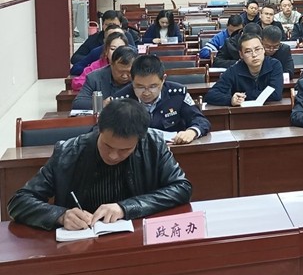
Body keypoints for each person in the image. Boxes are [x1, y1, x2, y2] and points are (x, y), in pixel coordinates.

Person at [7, 99, 192, 231]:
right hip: (81, 244)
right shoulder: (68, 152)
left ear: (139, 140)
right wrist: (60, 215)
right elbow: (19, 202)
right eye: (107, 146)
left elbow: (181, 187)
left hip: (136, 239)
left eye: (124, 150)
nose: (113, 155)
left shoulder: (153, 144)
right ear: (99, 130)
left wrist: (126, 207)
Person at [112, 55, 210, 144]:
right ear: (132, 80)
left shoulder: (177, 94)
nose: (146, 92)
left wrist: (192, 131)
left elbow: (200, 120)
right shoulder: (121, 100)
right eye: (140, 87)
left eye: (153, 86)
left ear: (163, 79)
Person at [205, 32, 283, 106]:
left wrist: (245, 95)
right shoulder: (234, 70)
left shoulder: (274, 65)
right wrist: (231, 100)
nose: (254, 55)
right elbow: (211, 95)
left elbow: (276, 94)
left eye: (257, 49)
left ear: (263, 50)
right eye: (248, 51)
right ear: (241, 54)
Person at [71, 45, 136, 111]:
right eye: (120, 71)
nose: (125, 76)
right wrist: (102, 104)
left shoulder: (139, 78)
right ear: (111, 64)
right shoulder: (94, 78)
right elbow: (78, 103)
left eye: (129, 72)